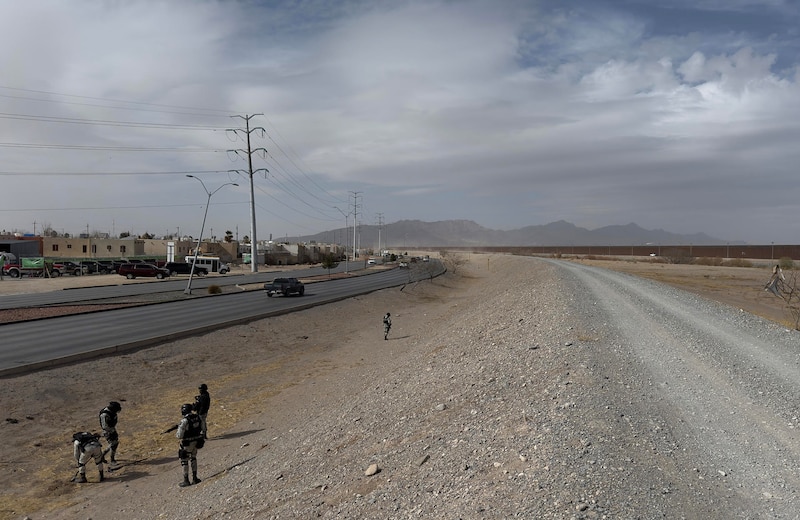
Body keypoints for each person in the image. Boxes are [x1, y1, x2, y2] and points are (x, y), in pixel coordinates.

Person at [176, 402, 204, 487]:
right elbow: (203, 428)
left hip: (187, 444)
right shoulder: (198, 417)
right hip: (196, 442)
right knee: (193, 458)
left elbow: (179, 436)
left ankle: (186, 480)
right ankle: (195, 478)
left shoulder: (184, 421)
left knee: (184, 461)